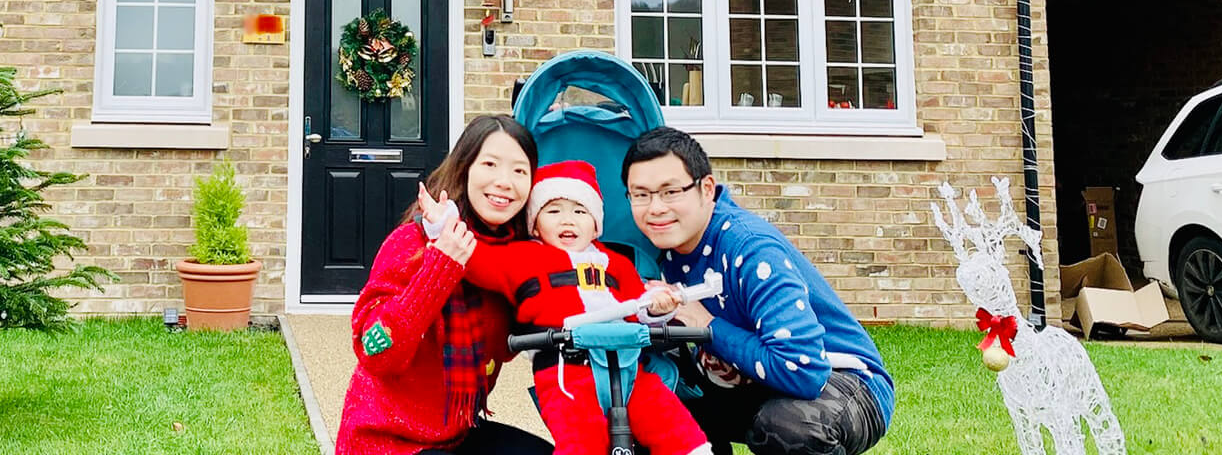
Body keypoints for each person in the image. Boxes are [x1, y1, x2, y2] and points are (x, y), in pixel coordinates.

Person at [623, 127, 893, 455]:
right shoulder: (657, 251)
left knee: (788, 428)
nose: (655, 209)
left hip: (841, 382)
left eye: (670, 192)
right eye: (641, 194)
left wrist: (709, 327)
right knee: (644, 408)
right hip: (748, 383)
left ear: (706, 189)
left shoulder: (750, 249)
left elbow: (804, 372)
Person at [419, 160, 712, 455]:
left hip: (626, 366)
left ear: (595, 223)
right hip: (565, 370)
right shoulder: (523, 258)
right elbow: (476, 260)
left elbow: (639, 306)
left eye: (580, 211)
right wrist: (443, 224)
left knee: (672, 423)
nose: (568, 220)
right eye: (554, 211)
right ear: (535, 223)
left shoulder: (617, 263)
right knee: (581, 439)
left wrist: (659, 307)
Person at [335, 114, 553, 455]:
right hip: (384, 441)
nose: (504, 182)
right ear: (465, 169)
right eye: (490, 164)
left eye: (519, 170)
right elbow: (374, 351)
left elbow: (509, 346)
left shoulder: (513, 257)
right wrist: (441, 267)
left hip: (457, 435)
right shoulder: (413, 242)